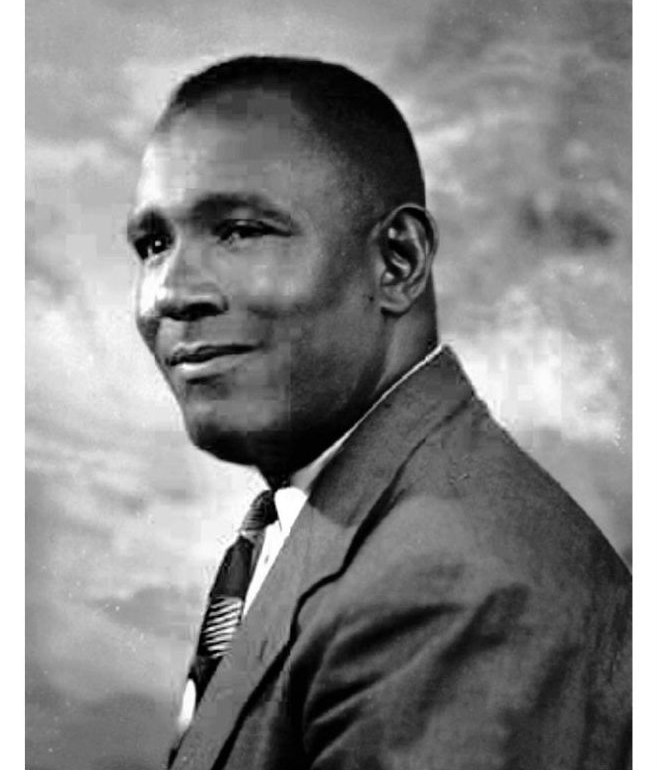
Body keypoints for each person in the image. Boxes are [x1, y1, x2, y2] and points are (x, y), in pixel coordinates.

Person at [127, 56, 631, 770]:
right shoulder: (359, 516)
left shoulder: (448, 587)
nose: (169, 295)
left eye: (239, 230)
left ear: (398, 261)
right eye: (153, 245)